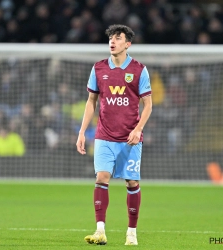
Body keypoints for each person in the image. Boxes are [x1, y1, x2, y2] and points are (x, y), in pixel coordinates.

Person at [76, 24, 152, 246]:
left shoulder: (139, 70)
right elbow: (91, 102)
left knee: (131, 182)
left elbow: (148, 105)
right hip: (104, 135)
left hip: (130, 138)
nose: (113, 41)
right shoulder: (98, 68)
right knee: (101, 177)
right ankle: (100, 230)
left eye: (118, 38)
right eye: (111, 37)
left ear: (127, 44)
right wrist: (82, 131)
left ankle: (131, 232)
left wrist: (138, 130)